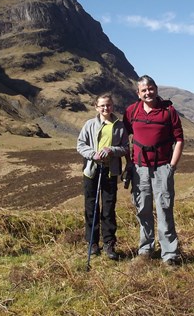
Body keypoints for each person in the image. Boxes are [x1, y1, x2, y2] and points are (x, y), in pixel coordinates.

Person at [123, 75, 184, 266]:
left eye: (150, 88)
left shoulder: (169, 111)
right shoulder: (131, 111)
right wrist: (129, 163)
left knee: (164, 209)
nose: (148, 92)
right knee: (143, 209)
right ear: (138, 93)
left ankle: (169, 254)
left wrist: (172, 166)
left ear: (156, 89)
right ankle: (146, 250)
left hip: (162, 168)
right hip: (139, 169)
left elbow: (179, 139)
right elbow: (124, 138)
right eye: (144, 90)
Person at [77, 93, 129, 260]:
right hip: (92, 171)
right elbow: (80, 144)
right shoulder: (89, 124)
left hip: (110, 172)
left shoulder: (119, 126)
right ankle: (92, 242)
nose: (106, 108)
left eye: (109, 105)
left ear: (112, 106)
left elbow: (125, 147)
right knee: (91, 207)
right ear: (96, 107)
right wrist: (93, 154)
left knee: (108, 209)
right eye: (102, 106)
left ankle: (109, 243)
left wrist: (111, 150)